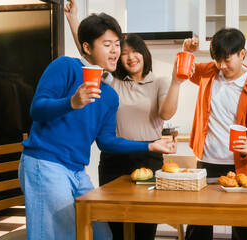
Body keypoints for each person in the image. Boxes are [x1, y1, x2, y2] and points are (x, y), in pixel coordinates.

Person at [19, 12, 176, 240]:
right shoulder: (65, 66)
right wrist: (71, 102)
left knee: (102, 234)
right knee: (59, 234)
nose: (115, 51)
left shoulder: (110, 95)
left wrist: (150, 146)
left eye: (116, 44)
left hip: (76, 170)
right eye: (107, 44)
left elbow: (106, 141)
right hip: (46, 162)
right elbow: (37, 109)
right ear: (87, 47)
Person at [64, 1, 185, 239]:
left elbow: (166, 114)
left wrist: (177, 81)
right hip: (114, 159)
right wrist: (72, 19)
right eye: (124, 52)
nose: (129, 57)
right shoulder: (112, 82)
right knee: (114, 227)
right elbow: (89, 50)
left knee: (144, 226)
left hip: (148, 158)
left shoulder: (160, 82)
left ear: (144, 53)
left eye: (134, 51)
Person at [176, 28, 247, 240]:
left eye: (226, 60)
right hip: (206, 161)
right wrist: (186, 52)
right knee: (199, 223)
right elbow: (185, 71)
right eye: (217, 60)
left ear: (242, 54)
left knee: (241, 225)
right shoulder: (210, 71)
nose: (222, 66)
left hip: (238, 165)